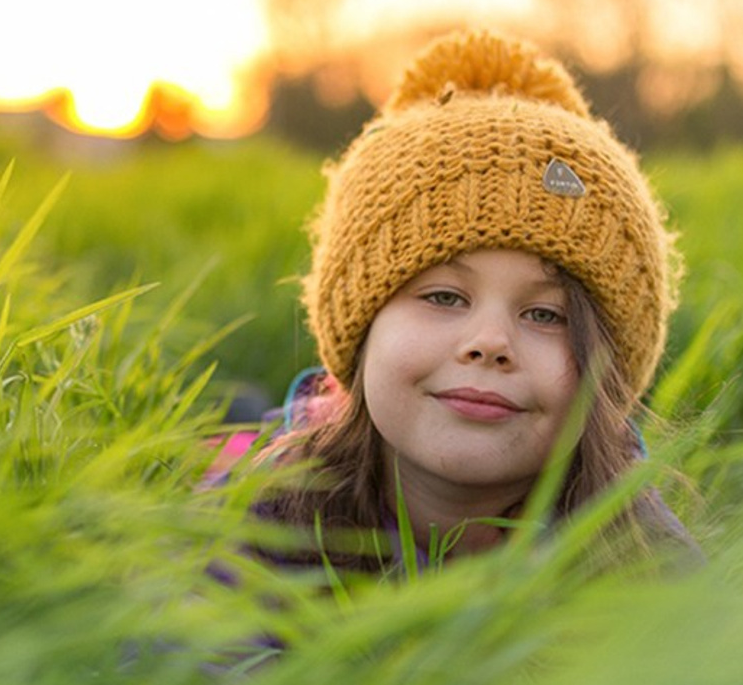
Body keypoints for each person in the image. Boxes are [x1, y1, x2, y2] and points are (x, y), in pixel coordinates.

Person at [220, 29, 698, 579]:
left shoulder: (634, 548)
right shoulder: (267, 519)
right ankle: (243, 419)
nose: (489, 343)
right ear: (360, 330)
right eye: (445, 297)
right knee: (233, 418)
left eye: (545, 315)